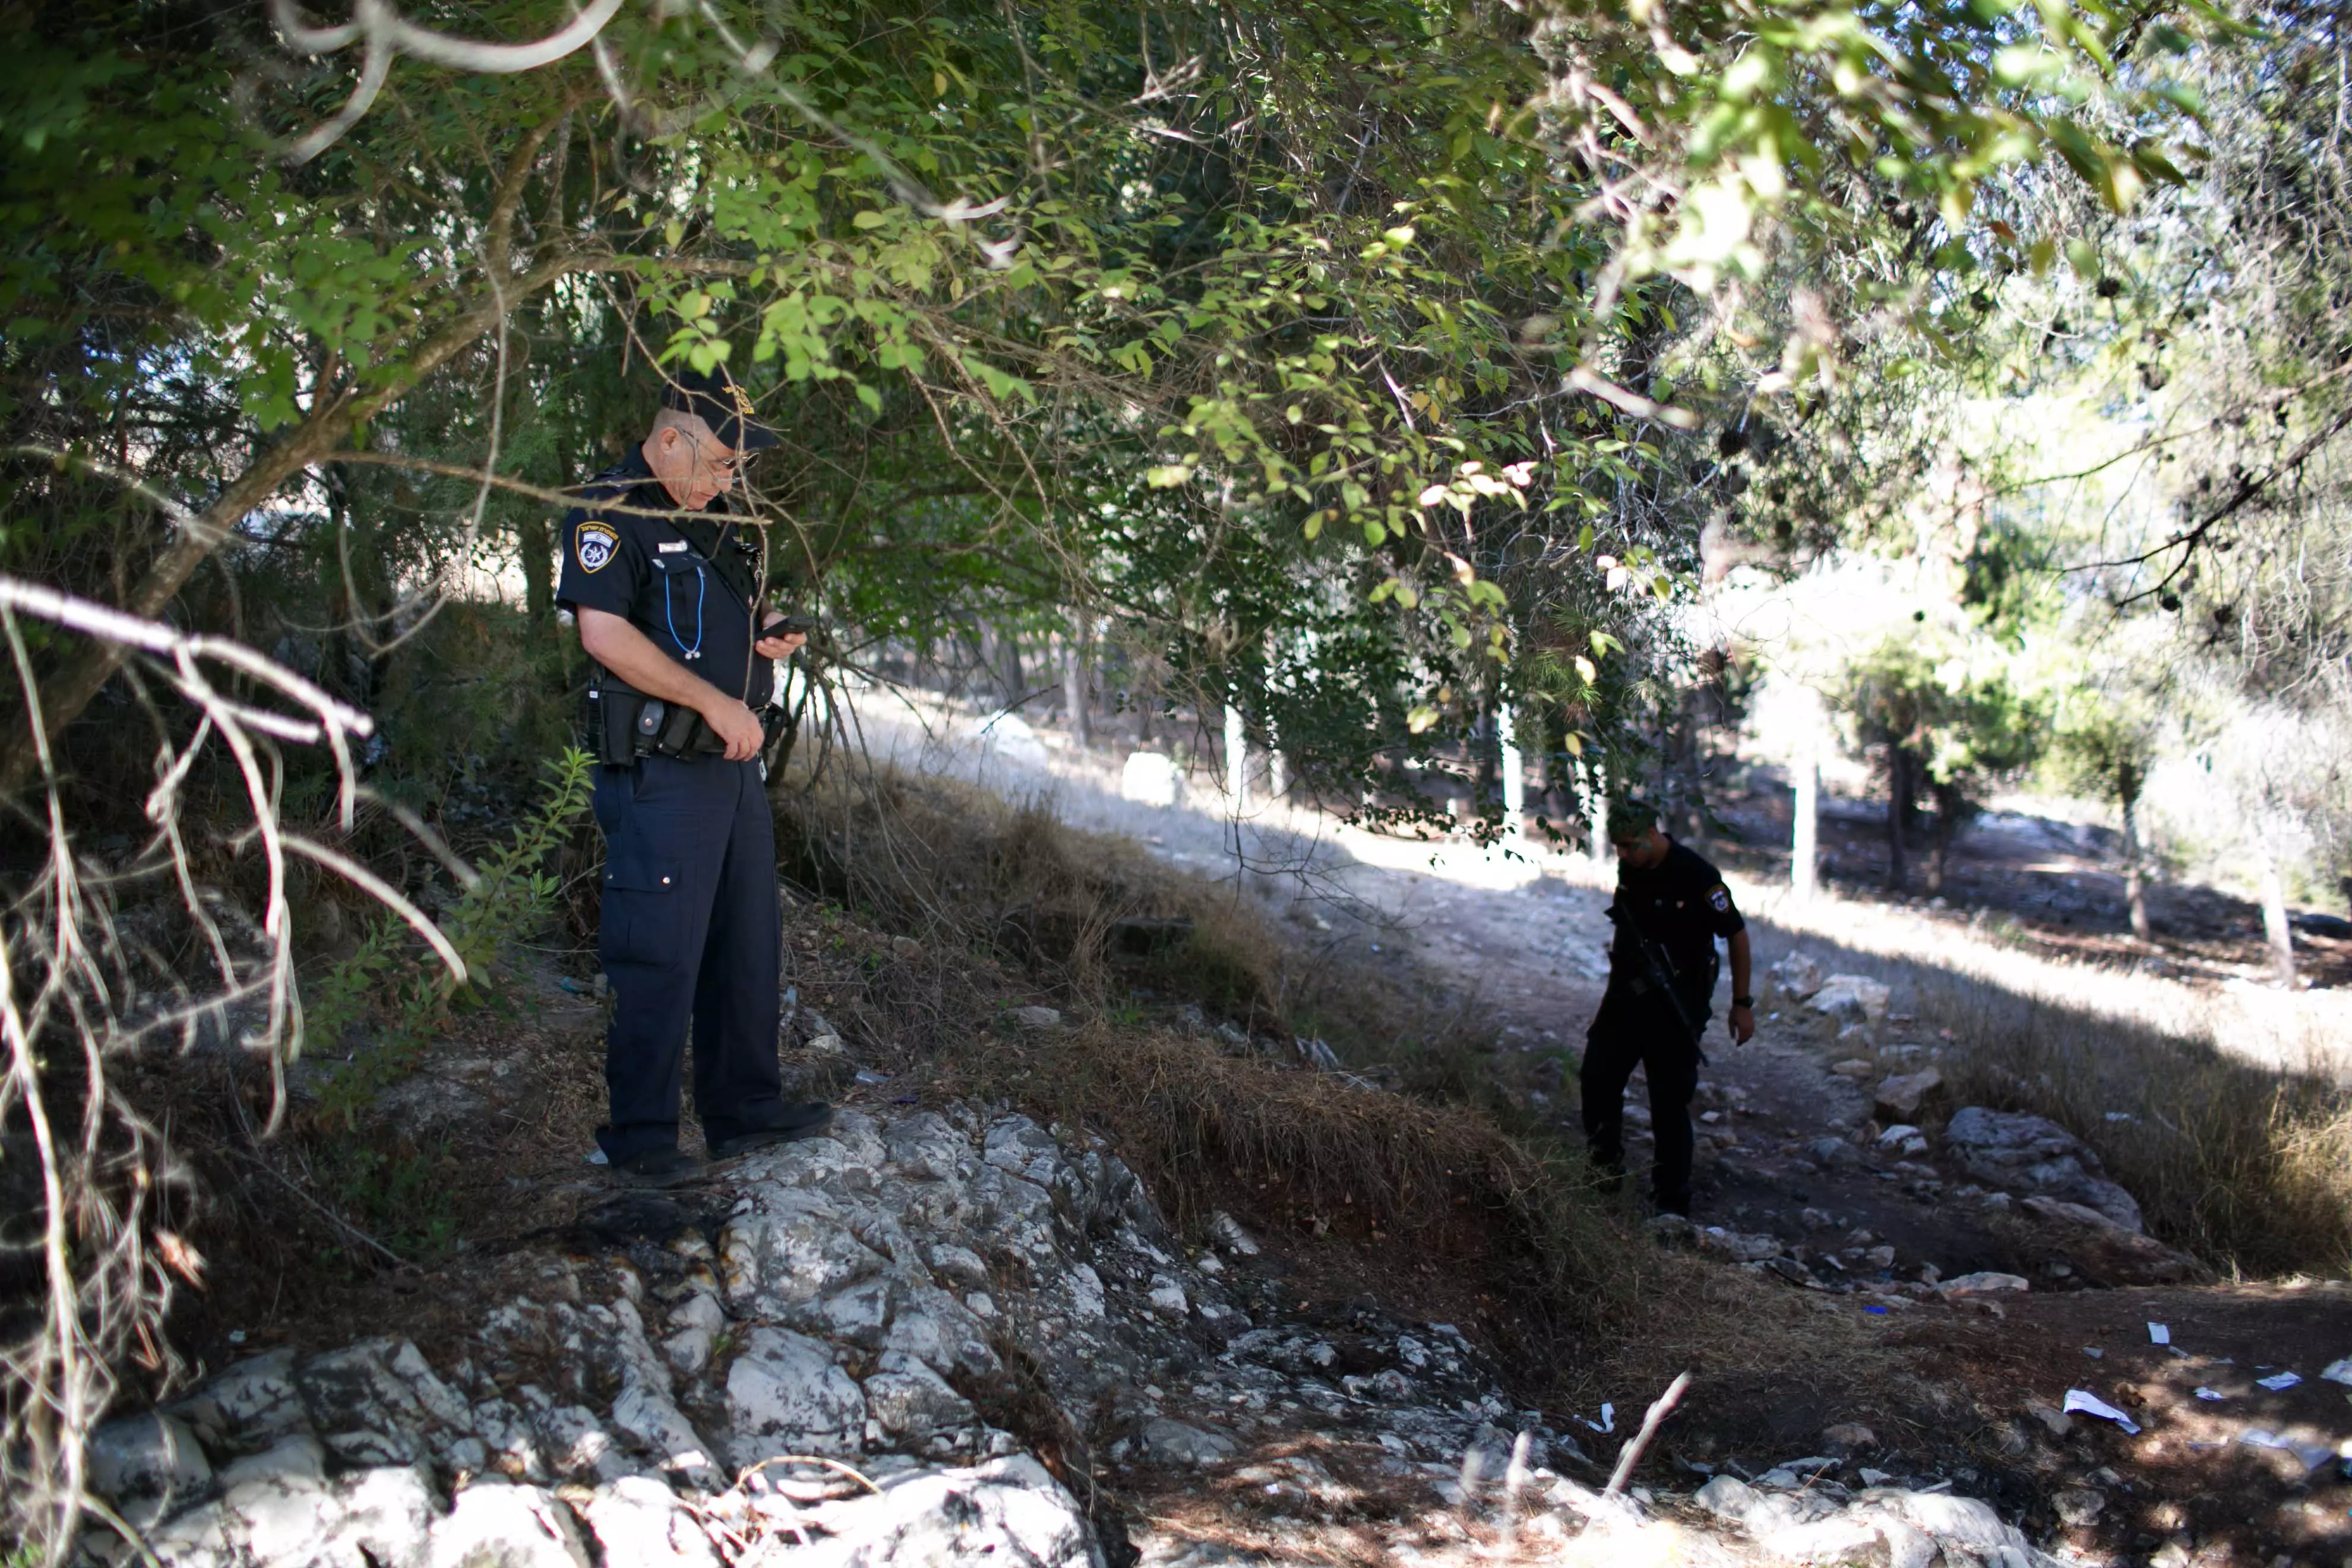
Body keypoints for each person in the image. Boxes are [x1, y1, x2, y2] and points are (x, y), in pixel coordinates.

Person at [555, 364, 832, 1187]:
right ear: (670, 438)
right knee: (660, 955)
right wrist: (716, 703)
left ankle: (743, 1113)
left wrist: (767, 631)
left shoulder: (709, 517)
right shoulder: (612, 509)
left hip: (730, 769)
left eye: (739, 467)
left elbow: (715, 618)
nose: (729, 478)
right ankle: (640, 1142)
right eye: (718, 461)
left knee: (746, 943)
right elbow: (603, 633)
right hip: (663, 770)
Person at [1579, 799, 1755, 1215]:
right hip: (1625, 999)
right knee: (1597, 1078)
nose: (1621, 855)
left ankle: (1671, 1200)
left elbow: (1737, 934)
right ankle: (1604, 1173)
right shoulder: (1632, 868)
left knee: (1669, 1102)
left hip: (1677, 1006)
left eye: (1627, 845)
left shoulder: (1697, 875)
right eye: (1617, 846)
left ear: (1651, 835)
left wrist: (1742, 1004)